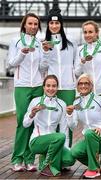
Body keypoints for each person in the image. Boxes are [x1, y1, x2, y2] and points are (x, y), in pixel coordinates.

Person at [75, 20, 101, 171]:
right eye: (85, 32)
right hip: (89, 93)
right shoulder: (80, 50)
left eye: (90, 31)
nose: (87, 35)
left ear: (97, 33)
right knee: (92, 124)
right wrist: (81, 62)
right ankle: (95, 157)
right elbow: (76, 73)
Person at [8, 13, 45, 171]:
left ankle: (30, 160)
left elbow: (43, 68)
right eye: (30, 23)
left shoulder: (39, 43)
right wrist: (22, 52)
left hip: (37, 86)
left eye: (36, 24)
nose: (33, 26)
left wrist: (48, 53)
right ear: (24, 25)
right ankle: (17, 159)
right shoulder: (15, 41)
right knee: (22, 123)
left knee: (34, 122)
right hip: (22, 86)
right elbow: (11, 63)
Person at [66, 74, 101, 179]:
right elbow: (72, 126)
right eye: (80, 83)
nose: (83, 85)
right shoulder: (76, 103)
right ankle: (96, 165)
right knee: (75, 152)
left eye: (86, 83)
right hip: (90, 139)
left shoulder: (100, 100)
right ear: (77, 86)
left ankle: (93, 170)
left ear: (91, 86)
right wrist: (69, 115)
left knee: (90, 132)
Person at [23, 75, 75, 177]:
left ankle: (45, 159)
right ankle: (46, 167)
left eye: (54, 86)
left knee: (69, 159)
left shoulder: (61, 104)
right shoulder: (35, 102)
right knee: (60, 136)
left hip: (54, 142)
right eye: (48, 86)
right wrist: (31, 114)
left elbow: (64, 129)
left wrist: (65, 148)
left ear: (57, 88)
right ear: (43, 87)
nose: (51, 88)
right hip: (37, 141)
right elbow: (25, 124)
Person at [41, 2, 78, 148]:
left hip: (68, 88)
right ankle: (52, 155)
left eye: (57, 23)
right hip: (51, 88)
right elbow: (42, 67)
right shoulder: (44, 44)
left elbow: (76, 67)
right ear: (48, 25)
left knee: (67, 121)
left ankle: (66, 154)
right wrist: (45, 52)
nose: (54, 26)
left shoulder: (71, 44)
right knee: (51, 121)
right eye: (51, 23)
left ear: (61, 25)